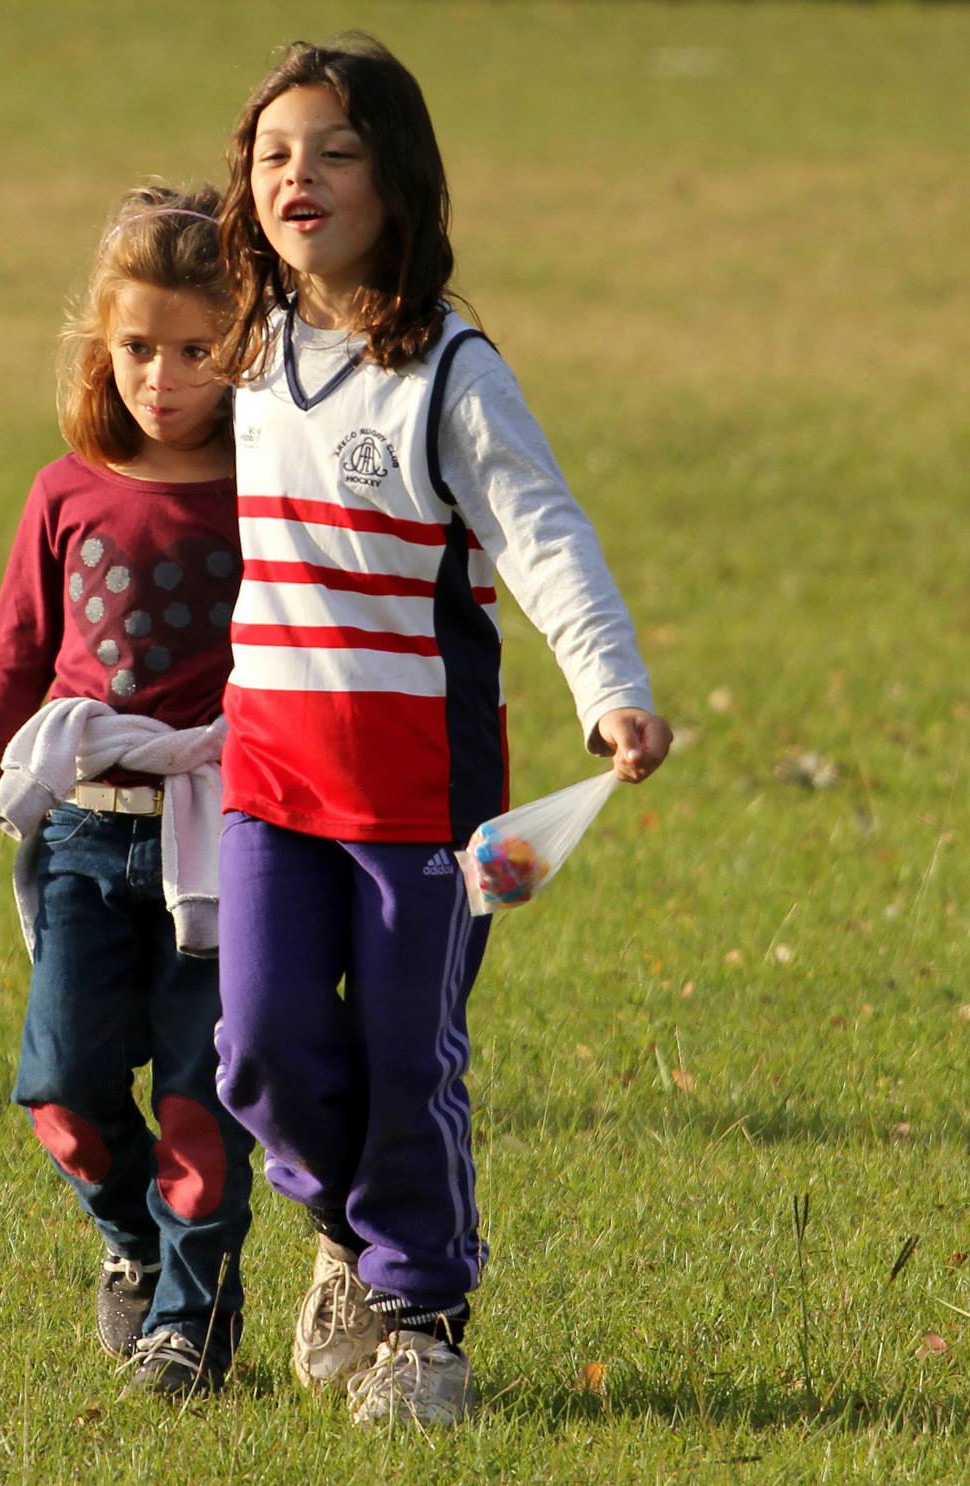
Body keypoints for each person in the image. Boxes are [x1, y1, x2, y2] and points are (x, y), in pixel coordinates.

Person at [208, 35, 672, 1427]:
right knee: (261, 1046)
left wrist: (612, 686)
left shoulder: (448, 366)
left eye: (335, 152)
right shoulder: (246, 344)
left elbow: (544, 536)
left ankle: (422, 1318)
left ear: (398, 183)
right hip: (268, 776)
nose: (300, 176)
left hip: (427, 789)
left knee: (412, 1051)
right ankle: (349, 1238)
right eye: (276, 152)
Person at [0, 184, 254, 1397]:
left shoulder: (271, 490)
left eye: (195, 348)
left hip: (220, 842)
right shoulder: (66, 489)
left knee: (202, 1095)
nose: (162, 376)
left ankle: (189, 1326)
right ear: (101, 349)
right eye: (136, 348)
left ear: (245, 341)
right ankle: (136, 1243)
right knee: (60, 1086)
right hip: (82, 842)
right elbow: (9, 661)